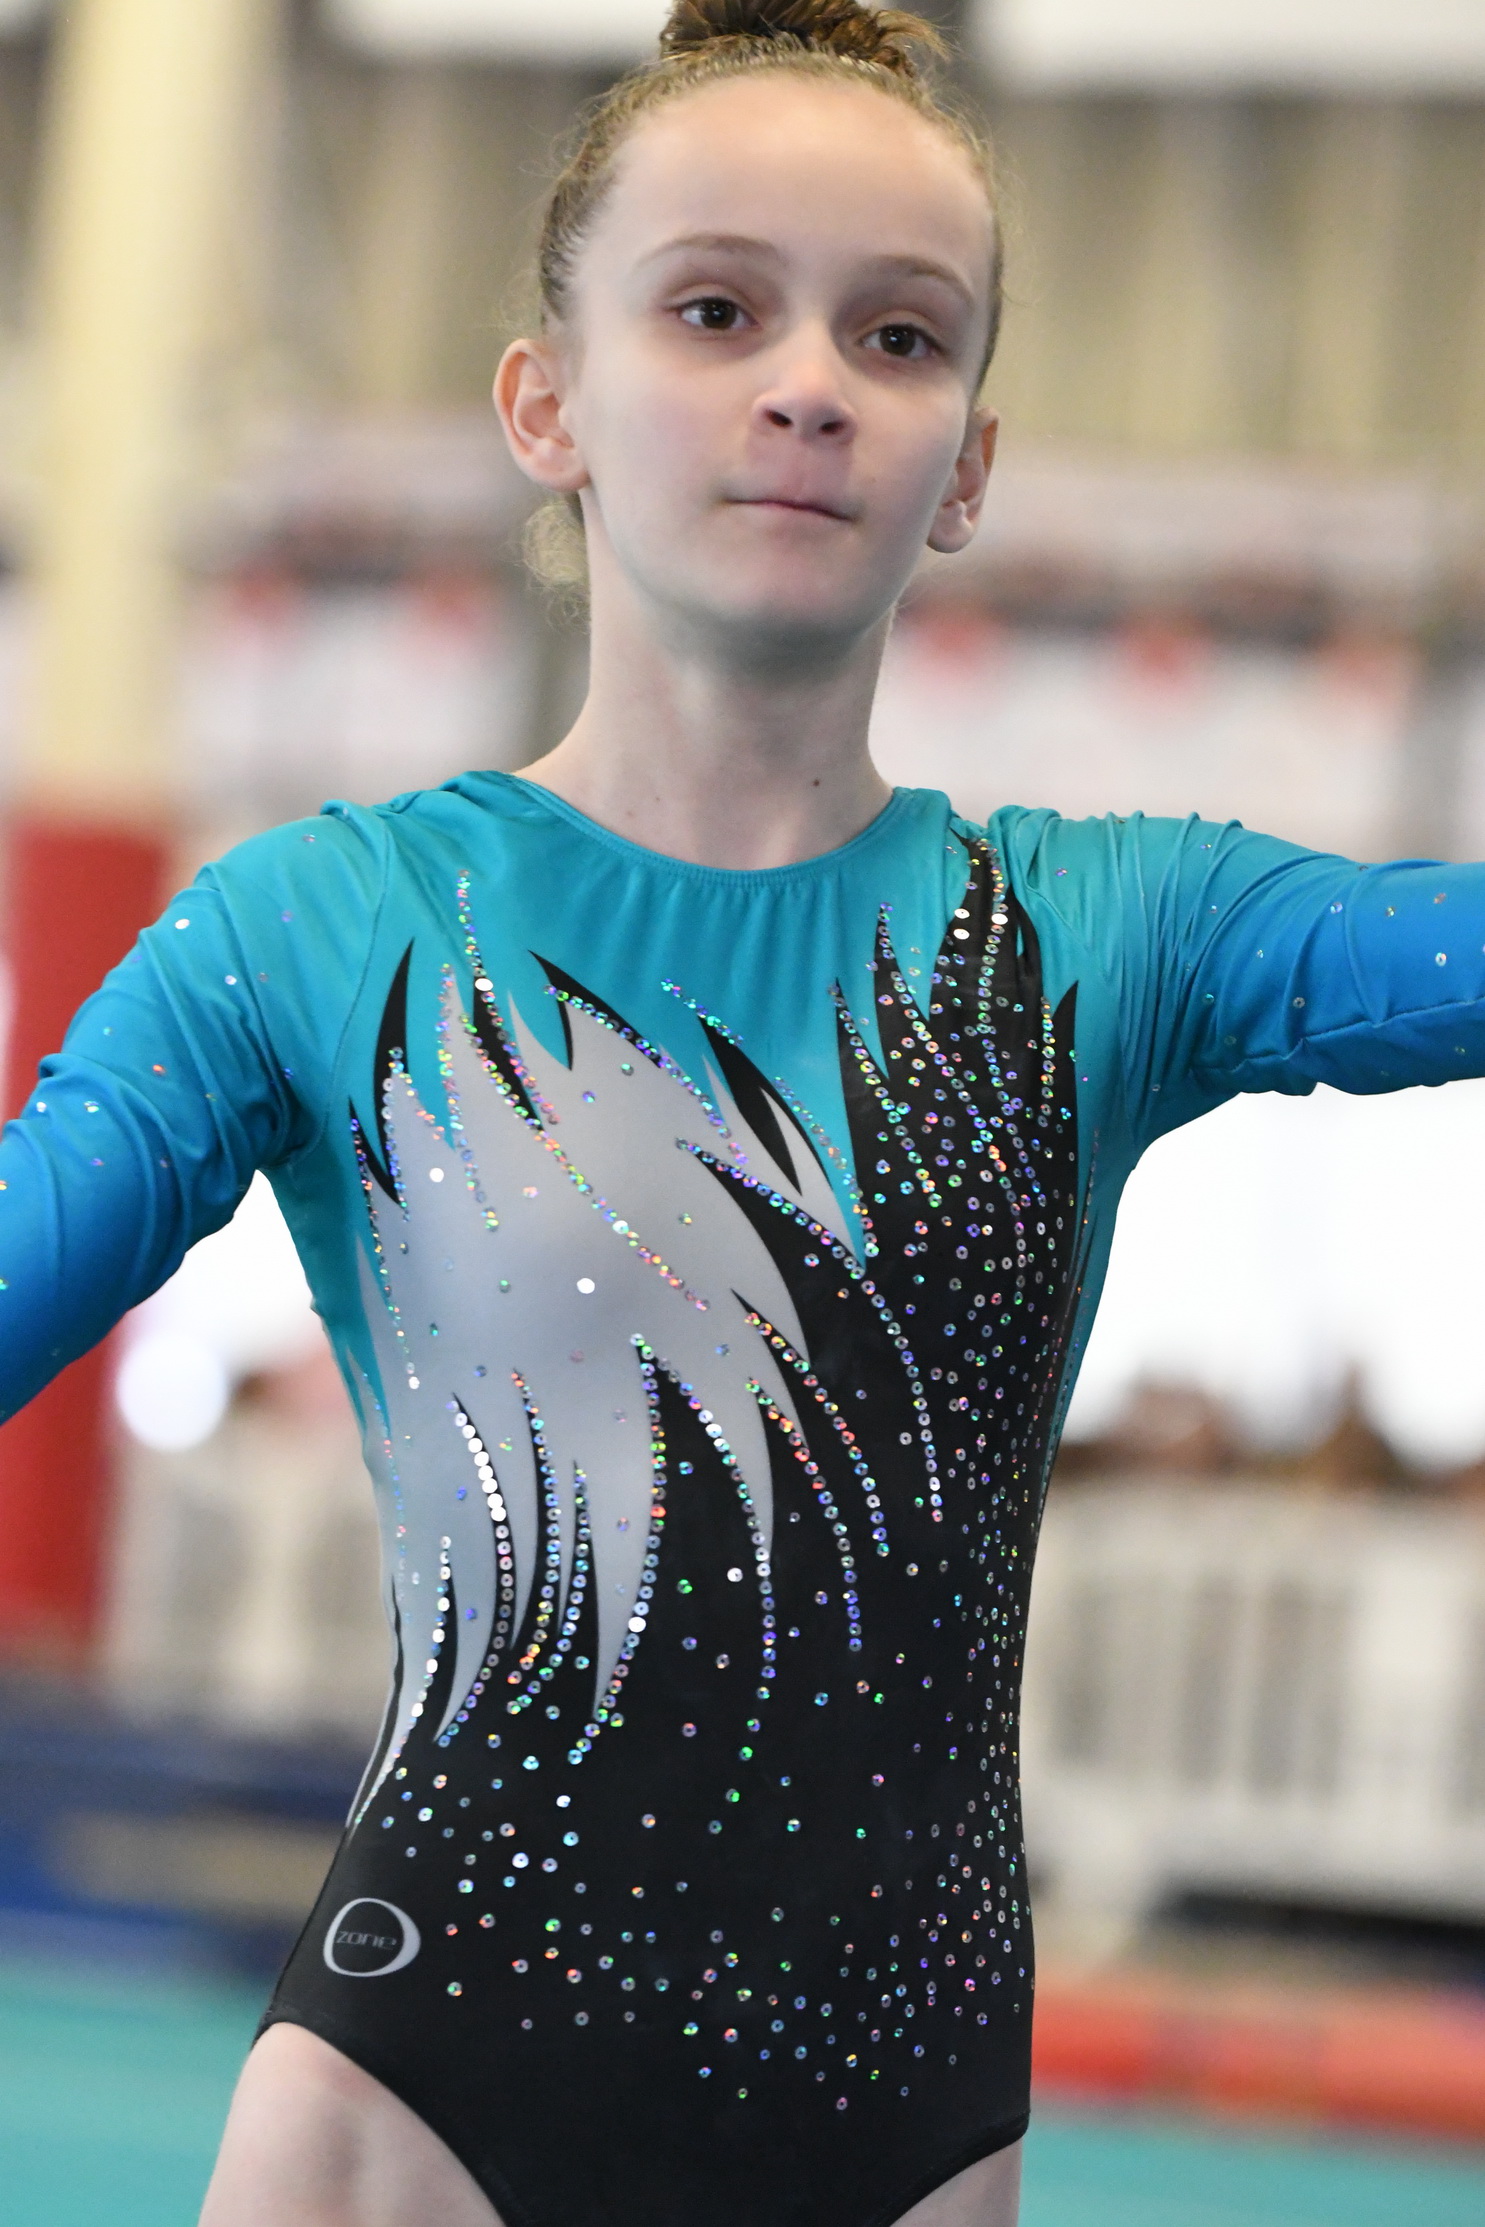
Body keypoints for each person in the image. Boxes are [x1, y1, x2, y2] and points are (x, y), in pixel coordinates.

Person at [3, 3, 1483, 2222]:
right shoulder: (330, 926)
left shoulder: (1103, 935)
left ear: (966, 463)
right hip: (419, 2107)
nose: (808, 383)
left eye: (898, 336)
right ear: (547, 404)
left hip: (898, 2139)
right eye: (714, 310)